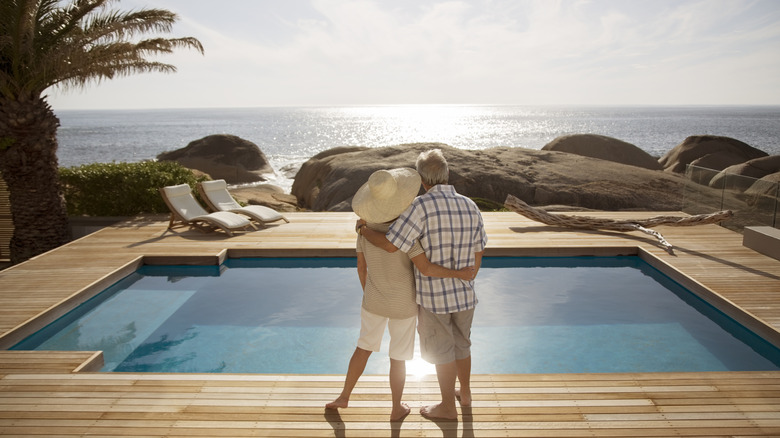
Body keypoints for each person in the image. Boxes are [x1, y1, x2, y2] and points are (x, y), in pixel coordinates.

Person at [326, 168, 475, 421]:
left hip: (373, 300)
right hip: (404, 304)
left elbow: (362, 268)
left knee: (363, 348)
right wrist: (460, 274)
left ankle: (344, 395)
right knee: (398, 358)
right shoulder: (409, 236)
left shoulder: (363, 230)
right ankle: (397, 407)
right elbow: (424, 268)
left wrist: (371, 291)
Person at [359, 149, 487, 421]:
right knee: (462, 344)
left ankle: (447, 408)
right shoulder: (470, 205)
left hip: (434, 297)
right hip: (465, 294)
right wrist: (464, 274)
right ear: (447, 174)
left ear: (421, 179)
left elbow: (391, 245)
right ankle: (464, 394)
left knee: (442, 350)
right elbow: (477, 255)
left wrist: (364, 230)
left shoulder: (420, 207)